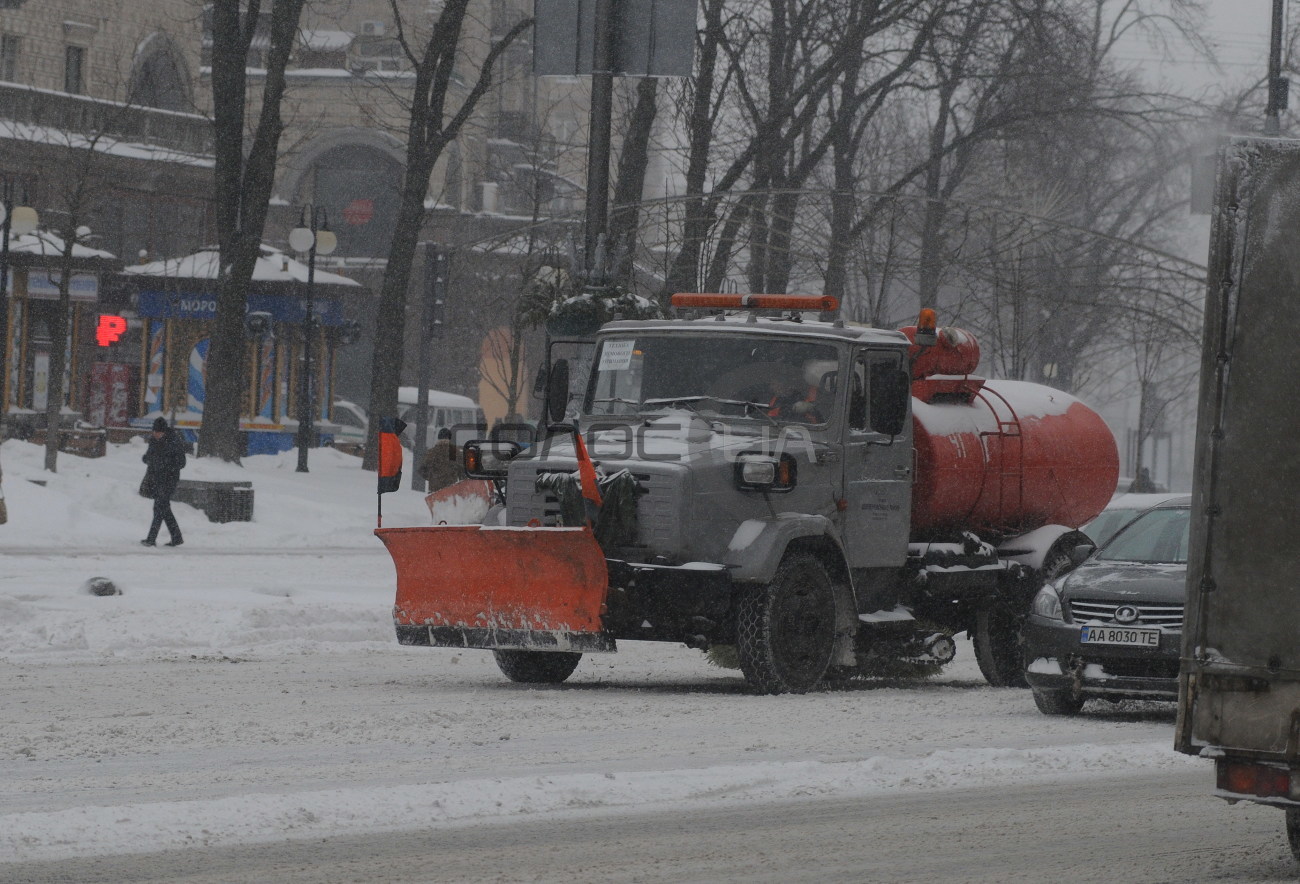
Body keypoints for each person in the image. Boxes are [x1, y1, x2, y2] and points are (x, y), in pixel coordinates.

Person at [141, 417, 187, 547]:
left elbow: (181, 463)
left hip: (168, 480)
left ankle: (151, 539)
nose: (155, 434)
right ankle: (176, 537)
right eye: (154, 432)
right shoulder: (154, 441)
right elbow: (149, 456)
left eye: (158, 432)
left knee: (159, 508)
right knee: (164, 509)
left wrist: (164, 464)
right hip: (156, 479)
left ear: (164, 431)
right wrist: (147, 459)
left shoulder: (174, 442)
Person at [419, 428, 466, 492]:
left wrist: (432, 477)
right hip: (450, 489)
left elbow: (422, 470)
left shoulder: (432, 452)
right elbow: (462, 471)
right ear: (449, 438)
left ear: (438, 438)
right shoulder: (453, 452)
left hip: (434, 491)